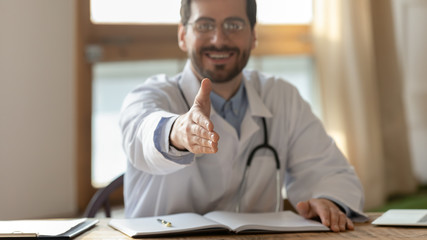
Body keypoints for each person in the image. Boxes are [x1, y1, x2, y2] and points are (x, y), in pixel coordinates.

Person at [119, 0, 367, 232]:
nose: (219, 39)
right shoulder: (149, 96)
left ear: (253, 35)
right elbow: (141, 134)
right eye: (204, 25)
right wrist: (178, 131)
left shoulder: (281, 96)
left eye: (234, 25)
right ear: (183, 36)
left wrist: (327, 200)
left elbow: (331, 172)